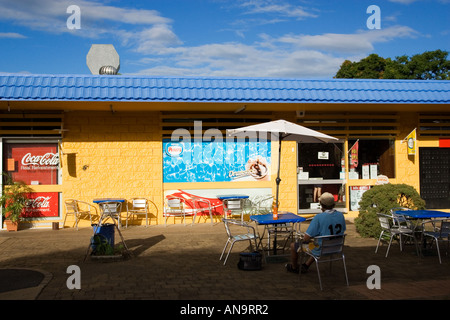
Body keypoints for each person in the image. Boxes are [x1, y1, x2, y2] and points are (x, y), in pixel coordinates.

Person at [285, 192, 346, 274]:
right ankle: (306, 265)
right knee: (318, 241)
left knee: (294, 245)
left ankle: (294, 267)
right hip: (336, 248)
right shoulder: (340, 215)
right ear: (334, 204)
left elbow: (306, 237)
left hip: (320, 249)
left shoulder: (319, 217)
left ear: (321, 204)